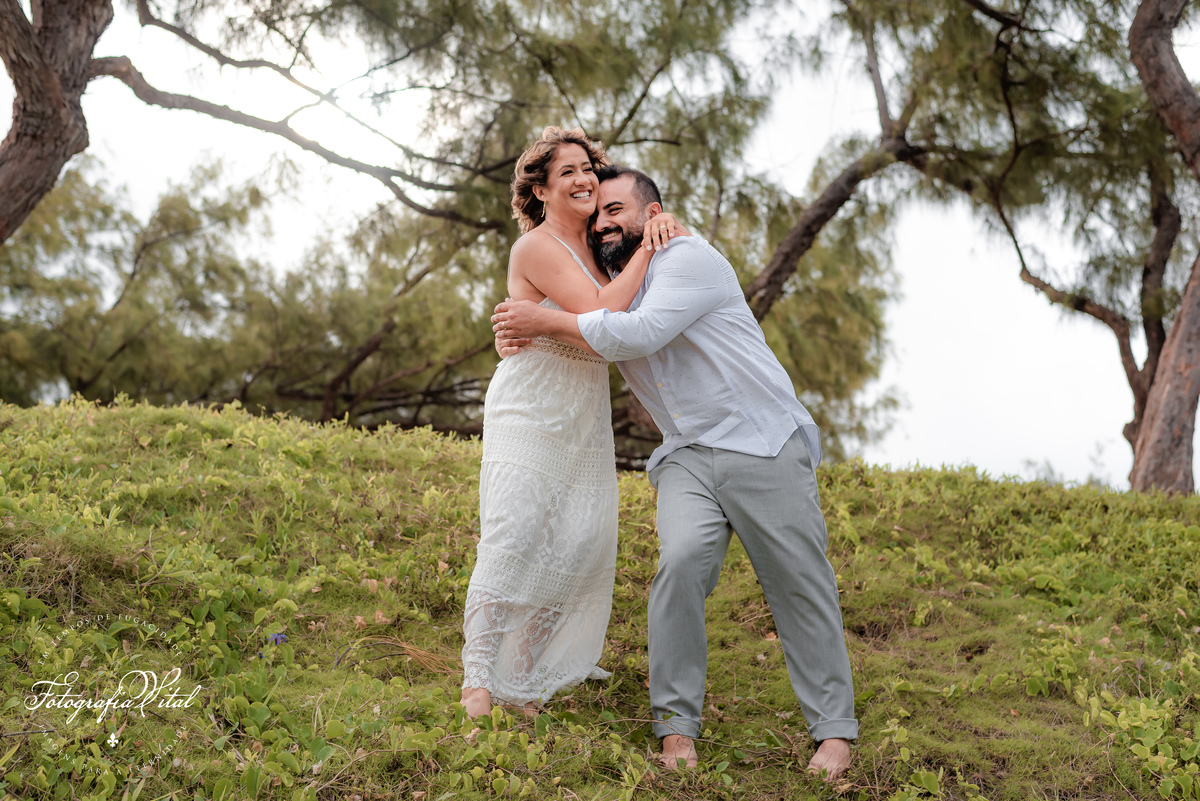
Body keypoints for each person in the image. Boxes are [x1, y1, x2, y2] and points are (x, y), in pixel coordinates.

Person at [491, 164, 858, 781]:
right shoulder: (612, 285)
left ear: (654, 213)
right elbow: (594, 328)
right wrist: (527, 324)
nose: (605, 223)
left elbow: (638, 334)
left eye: (617, 211)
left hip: (761, 443)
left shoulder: (687, 258)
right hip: (686, 453)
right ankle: (676, 729)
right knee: (681, 563)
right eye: (596, 215)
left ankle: (835, 732)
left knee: (798, 582)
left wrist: (545, 320)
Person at [460, 129, 685, 718]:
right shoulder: (535, 247)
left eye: (589, 168)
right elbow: (603, 314)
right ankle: (479, 683)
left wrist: (658, 226)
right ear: (540, 187)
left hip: (584, 409)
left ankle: (522, 679)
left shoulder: (600, 241)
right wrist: (647, 252)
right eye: (569, 172)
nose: (585, 179)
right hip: (531, 402)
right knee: (516, 532)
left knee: (578, 538)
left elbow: (635, 301)